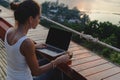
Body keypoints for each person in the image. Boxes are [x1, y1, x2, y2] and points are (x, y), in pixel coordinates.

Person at [5, 0, 70, 80]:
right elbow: (36, 72)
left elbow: (16, 50)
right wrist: (57, 61)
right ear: (31, 19)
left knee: (46, 61)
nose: (39, 20)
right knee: (57, 69)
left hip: (10, 77)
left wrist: (34, 46)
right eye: (39, 17)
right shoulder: (27, 42)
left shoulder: (9, 31)